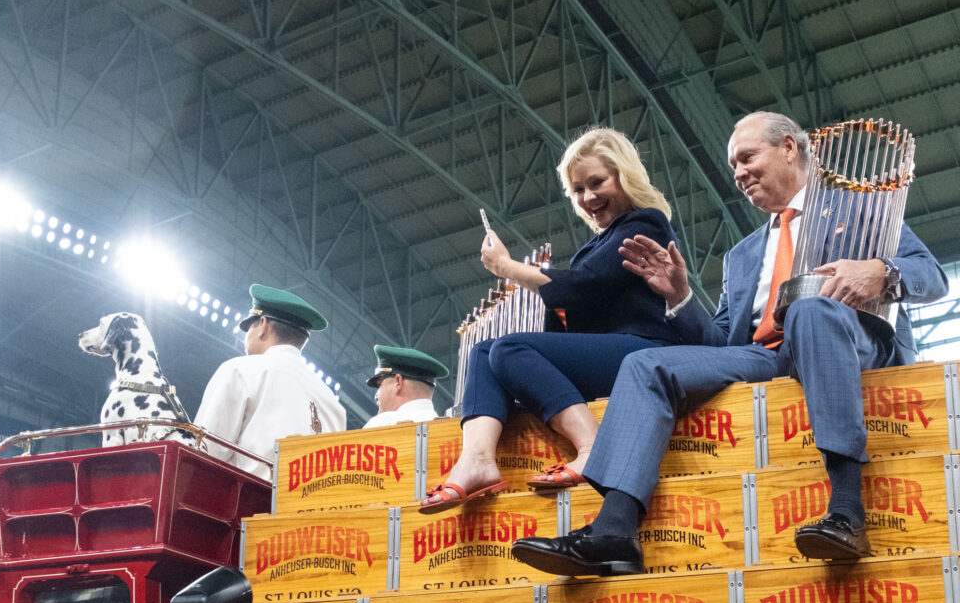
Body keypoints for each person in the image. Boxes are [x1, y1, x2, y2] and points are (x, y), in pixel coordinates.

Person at [511, 111, 948, 576]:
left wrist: (880, 272)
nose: (738, 173)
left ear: (788, 148)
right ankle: (613, 532)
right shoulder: (741, 257)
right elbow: (720, 342)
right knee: (642, 364)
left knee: (809, 309)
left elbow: (933, 277)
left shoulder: (858, 207)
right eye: (733, 166)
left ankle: (846, 510)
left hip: (849, 340)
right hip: (765, 356)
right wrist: (679, 296)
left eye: (746, 157)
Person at [419, 127, 682, 512]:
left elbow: (583, 287)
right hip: (613, 352)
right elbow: (579, 299)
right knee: (484, 351)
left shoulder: (646, 223)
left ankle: (593, 447)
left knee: (510, 347)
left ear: (624, 176)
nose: (588, 197)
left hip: (644, 350)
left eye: (597, 183)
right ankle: (475, 460)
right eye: (578, 190)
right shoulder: (598, 243)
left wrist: (509, 268)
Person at [194, 284, 346, 478]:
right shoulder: (333, 402)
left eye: (249, 326)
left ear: (263, 325)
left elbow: (205, 451)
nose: (246, 335)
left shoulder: (241, 370)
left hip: (248, 503)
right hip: (312, 505)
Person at [364, 345, 449, 428]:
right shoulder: (447, 428)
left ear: (398, 382)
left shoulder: (381, 424)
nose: (376, 397)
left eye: (379, 385)